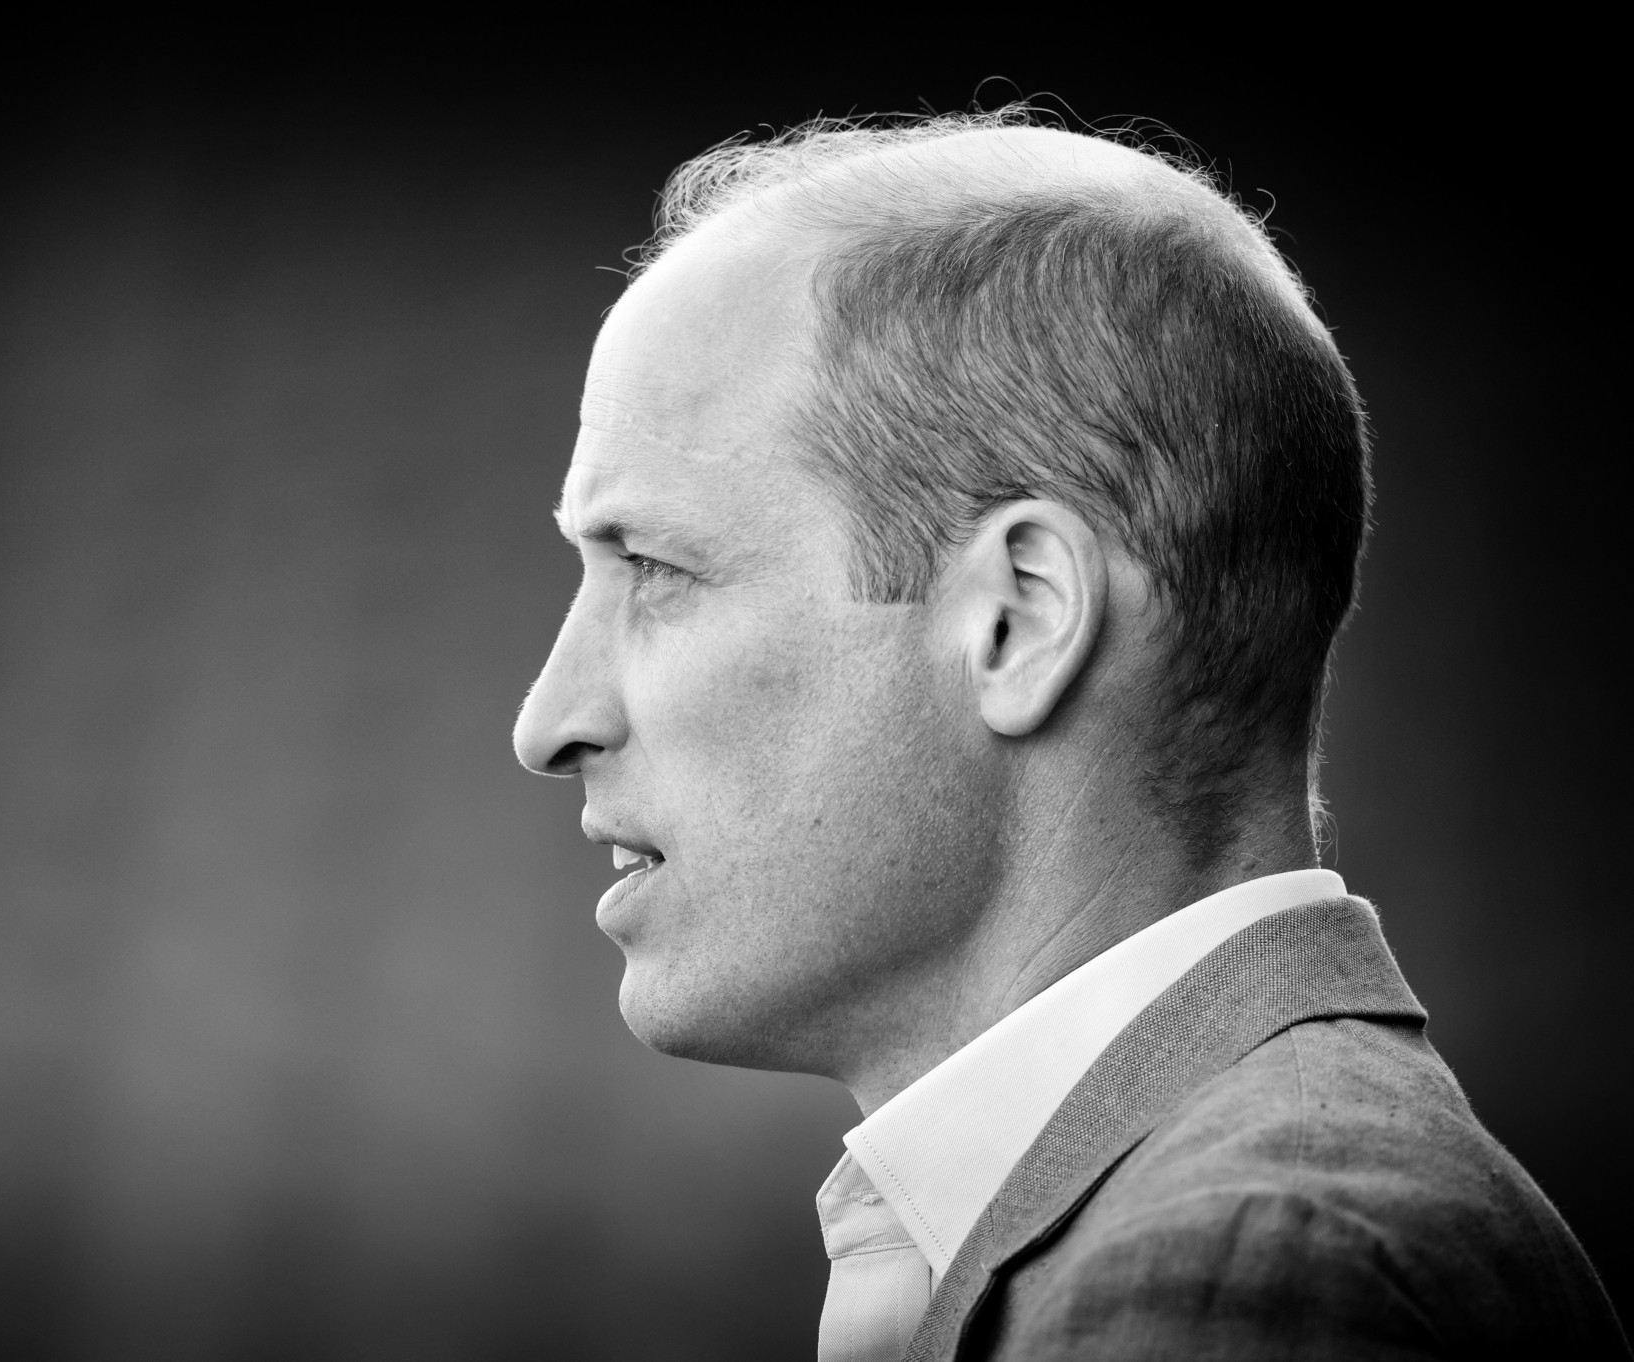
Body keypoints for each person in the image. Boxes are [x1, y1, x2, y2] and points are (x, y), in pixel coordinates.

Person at [510, 111, 1626, 1360]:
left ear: (1019, 621)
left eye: (653, 569)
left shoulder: (1240, 1274)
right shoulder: (1215, 1218)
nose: (549, 723)